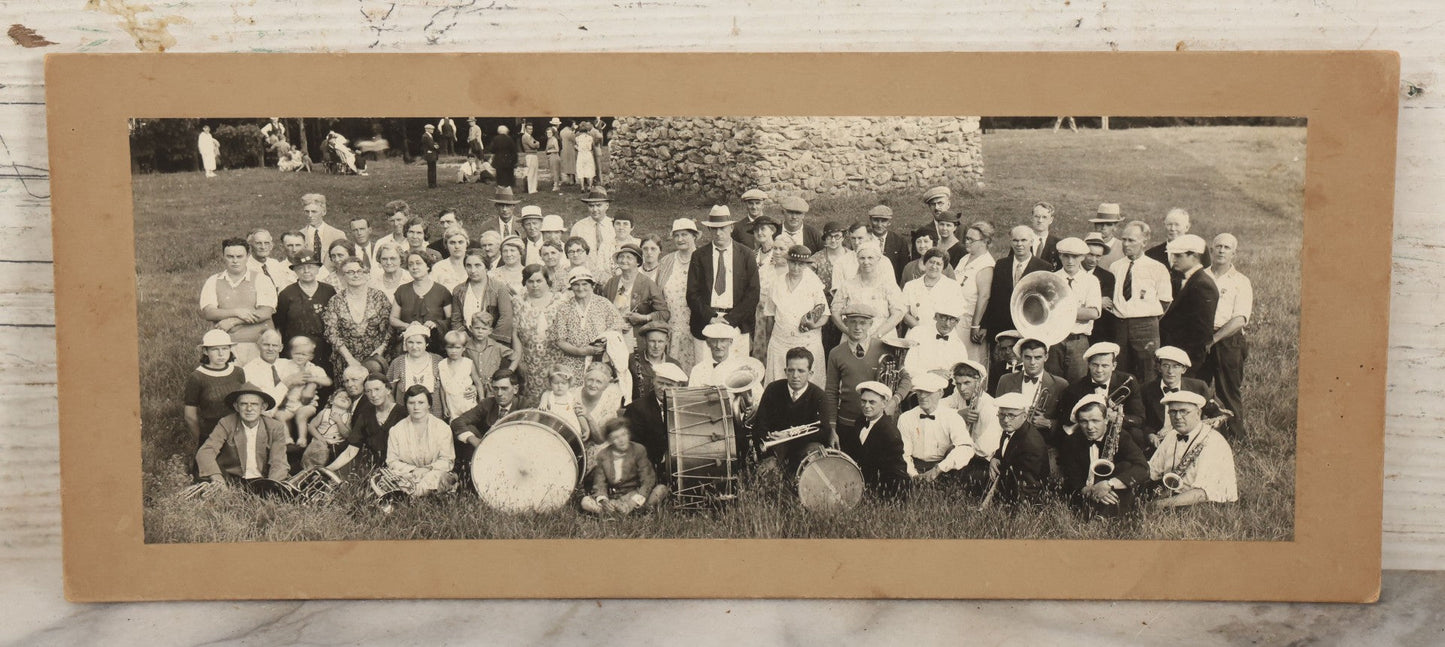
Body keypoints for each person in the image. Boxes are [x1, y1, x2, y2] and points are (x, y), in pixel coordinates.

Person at [686, 206, 761, 362]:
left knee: (735, 373)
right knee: (706, 371)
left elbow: (753, 294)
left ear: (731, 227)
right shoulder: (699, 256)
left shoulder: (746, 254)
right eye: (714, 229)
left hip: (736, 323)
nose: (718, 233)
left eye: (722, 228)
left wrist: (730, 319)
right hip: (706, 322)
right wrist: (711, 317)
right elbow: (692, 294)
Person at [1058, 394, 1149, 517]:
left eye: (1095, 421)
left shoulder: (1121, 437)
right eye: (1084, 421)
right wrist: (1088, 490)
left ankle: (1108, 518)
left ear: (1106, 419)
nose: (1090, 427)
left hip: (1113, 492)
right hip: (1085, 495)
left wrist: (1109, 484)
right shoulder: (1072, 441)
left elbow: (1143, 467)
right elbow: (1071, 475)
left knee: (1126, 466)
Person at [1108, 220, 1173, 386]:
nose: (1126, 244)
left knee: (1147, 371)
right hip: (1120, 325)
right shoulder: (1115, 267)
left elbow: (1165, 301)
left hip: (1146, 327)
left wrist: (1147, 321)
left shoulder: (1156, 268)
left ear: (1144, 242)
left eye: (1131, 240)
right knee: (1119, 370)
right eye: (1124, 240)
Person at [825, 304, 909, 430]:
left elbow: (906, 379)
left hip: (877, 424)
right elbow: (831, 392)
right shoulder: (836, 353)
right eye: (853, 322)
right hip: (847, 422)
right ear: (845, 322)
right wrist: (832, 428)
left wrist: (894, 401)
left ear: (870, 324)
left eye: (863, 323)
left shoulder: (885, 348)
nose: (858, 327)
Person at [1147, 390, 1237, 508]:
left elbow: (1202, 493)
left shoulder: (1213, 441)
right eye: (1173, 412)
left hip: (1207, 503)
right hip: (1176, 496)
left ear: (1198, 413)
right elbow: (1153, 471)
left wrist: (1160, 504)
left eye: (1184, 411)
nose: (1178, 417)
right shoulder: (1172, 435)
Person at [1202, 233, 1252, 440]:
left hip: (1228, 340)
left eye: (1227, 247)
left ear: (1234, 253)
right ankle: (1200, 433)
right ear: (1211, 250)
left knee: (1228, 391)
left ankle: (1236, 436)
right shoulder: (1200, 275)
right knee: (1198, 387)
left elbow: (1240, 318)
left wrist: (1213, 340)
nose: (1221, 250)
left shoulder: (1241, 281)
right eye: (1218, 246)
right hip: (1200, 338)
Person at [1054, 342, 1147, 453]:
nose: (1099, 370)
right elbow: (1068, 420)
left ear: (1114, 366)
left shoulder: (1128, 381)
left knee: (1136, 434)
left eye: (1105, 366)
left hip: (1118, 433)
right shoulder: (1075, 389)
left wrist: (1118, 418)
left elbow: (1139, 418)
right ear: (1088, 365)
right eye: (1095, 365)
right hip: (1090, 432)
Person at [199, 237, 278, 366]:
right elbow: (209, 312)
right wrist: (237, 311)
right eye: (230, 256)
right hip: (225, 346)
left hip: (258, 344)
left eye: (239, 256)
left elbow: (265, 312)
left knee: (258, 384)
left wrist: (233, 321)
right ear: (223, 256)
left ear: (248, 256)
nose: (235, 261)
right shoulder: (213, 280)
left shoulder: (262, 279)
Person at [752, 347, 833, 469]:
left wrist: (789, 437)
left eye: (801, 371)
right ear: (785, 371)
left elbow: (824, 432)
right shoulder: (773, 389)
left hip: (803, 448)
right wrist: (768, 454)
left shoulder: (819, 396)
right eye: (791, 370)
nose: (795, 375)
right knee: (767, 475)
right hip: (775, 447)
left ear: (810, 373)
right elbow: (760, 424)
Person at [196, 383, 291, 485]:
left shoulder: (275, 427)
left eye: (254, 404)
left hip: (262, 479)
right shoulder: (226, 423)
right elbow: (206, 451)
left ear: (263, 407)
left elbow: (279, 462)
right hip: (232, 479)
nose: (249, 409)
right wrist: (217, 478)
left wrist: (271, 485)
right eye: (244, 404)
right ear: (236, 407)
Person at [763, 245, 829, 386]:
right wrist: (770, 341)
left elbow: (825, 314)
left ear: (806, 265)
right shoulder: (776, 283)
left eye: (800, 264)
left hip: (808, 343)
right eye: (793, 263)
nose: (796, 268)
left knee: (809, 384)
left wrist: (813, 325)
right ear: (787, 262)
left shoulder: (813, 283)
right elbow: (769, 316)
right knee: (779, 383)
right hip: (780, 344)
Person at [895, 372, 975, 486]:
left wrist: (939, 469)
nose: (922, 396)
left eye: (928, 392)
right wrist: (914, 475)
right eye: (919, 392)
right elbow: (903, 452)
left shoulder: (952, 417)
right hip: (913, 467)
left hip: (944, 469)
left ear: (940, 393)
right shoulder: (906, 418)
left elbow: (966, 447)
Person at [550, 266, 623, 387]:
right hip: (572, 362)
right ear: (571, 287)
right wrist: (580, 351)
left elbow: (616, 328)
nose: (580, 288)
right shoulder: (564, 308)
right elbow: (560, 340)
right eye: (576, 285)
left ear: (592, 285)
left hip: (600, 362)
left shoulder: (603, 304)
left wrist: (605, 342)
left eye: (585, 284)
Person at [978, 226, 1051, 345]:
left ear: (1032, 242)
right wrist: (985, 325)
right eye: (1015, 240)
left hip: (1028, 328)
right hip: (1001, 328)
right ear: (1010, 242)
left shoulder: (1043, 268)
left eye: (1023, 240)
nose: (1019, 244)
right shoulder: (1001, 265)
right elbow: (994, 298)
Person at [1158, 233, 1219, 376]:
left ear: (1194, 256)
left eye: (1179, 256)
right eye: (1173, 255)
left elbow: (1202, 332)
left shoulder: (1203, 285)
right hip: (1176, 355)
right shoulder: (1185, 280)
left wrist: (1188, 362)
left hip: (1188, 360)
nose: (1173, 260)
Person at [581, 418, 670, 515]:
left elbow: (648, 481)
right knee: (585, 501)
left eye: (624, 434)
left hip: (636, 495)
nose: (621, 440)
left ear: (628, 434)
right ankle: (610, 512)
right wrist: (604, 501)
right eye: (616, 437)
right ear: (610, 440)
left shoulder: (638, 450)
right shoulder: (603, 455)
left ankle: (635, 511)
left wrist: (632, 503)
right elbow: (599, 484)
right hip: (615, 498)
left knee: (661, 489)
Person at [383, 385, 459, 498]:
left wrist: (426, 469)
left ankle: (409, 496)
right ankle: (421, 494)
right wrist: (413, 470)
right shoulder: (396, 430)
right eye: (411, 403)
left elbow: (447, 460)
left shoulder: (442, 428)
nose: (416, 407)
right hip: (408, 474)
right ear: (406, 405)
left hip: (433, 472)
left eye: (421, 402)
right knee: (389, 477)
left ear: (429, 405)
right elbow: (392, 461)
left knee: (438, 477)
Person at [323, 257, 394, 375]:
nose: (355, 275)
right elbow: (331, 332)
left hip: (376, 359)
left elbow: (390, 327)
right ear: (343, 276)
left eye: (359, 271)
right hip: (346, 361)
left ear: (365, 274)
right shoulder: (336, 301)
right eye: (350, 272)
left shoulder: (378, 297)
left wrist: (381, 349)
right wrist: (349, 359)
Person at [183, 330, 247, 461]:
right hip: (212, 434)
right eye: (215, 349)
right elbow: (190, 416)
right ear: (205, 351)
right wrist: (202, 441)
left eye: (225, 348)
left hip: (238, 433)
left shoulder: (238, 372)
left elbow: (245, 402)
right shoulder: (197, 377)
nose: (221, 353)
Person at [324, 373, 406, 475]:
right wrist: (328, 469)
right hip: (372, 468)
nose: (373, 395)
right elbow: (352, 449)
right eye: (368, 391)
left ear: (388, 390)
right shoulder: (365, 414)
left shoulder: (403, 413)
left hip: (399, 468)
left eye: (377, 389)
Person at [993, 337, 1069, 446]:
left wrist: (1049, 423)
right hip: (1011, 444)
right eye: (1028, 357)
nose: (1032, 362)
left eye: (1038, 357)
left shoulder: (1061, 385)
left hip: (1045, 445)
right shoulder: (1005, 380)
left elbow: (1067, 424)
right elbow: (996, 417)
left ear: (1046, 357)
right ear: (1021, 357)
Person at [837, 381, 908, 497]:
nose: (866, 406)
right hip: (862, 480)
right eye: (863, 401)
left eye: (872, 402)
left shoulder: (889, 432)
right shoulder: (860, 421)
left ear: (884, 404)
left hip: (883, 486)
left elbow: (896, 471)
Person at [1141, 346, 1223, 446]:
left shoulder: (1198, 387)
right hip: (1159, 443)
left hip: (1192, 440)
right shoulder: (1146, 389)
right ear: (1159, 368)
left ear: (1184, 369)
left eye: (1176, 366)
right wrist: (1150, 434)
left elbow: (1218, 413)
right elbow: (1141, 419)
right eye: (1166, 366)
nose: (1170, 371)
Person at [450, 369, 522, 482]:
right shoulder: (488, 403)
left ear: (515, 389)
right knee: (468, 430)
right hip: (488, 451)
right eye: (496, 388)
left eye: (504, 388)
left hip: (515, 455)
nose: (499, 393)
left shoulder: (525, 405)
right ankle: (472, 478)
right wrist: (473, 439)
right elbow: (457, 422)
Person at [1046, 237, 1102, 382]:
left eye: (1075, 256)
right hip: (1054, 341)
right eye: (1066, 256)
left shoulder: (1091, 281)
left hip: (1078, 341)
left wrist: (1059, 310)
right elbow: (1045, 313)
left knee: (1078, 384)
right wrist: (1078, 311)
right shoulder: (1050, 278)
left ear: (1083, 257)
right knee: (1052, 384)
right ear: (1060, 256)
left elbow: (1093, 313)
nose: (1070, 261)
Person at [940, 359, 1001, 492]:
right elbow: (937, 407)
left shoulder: (989, 406)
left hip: (981, 460)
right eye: (958, 383)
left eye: (967, 383)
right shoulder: (958, 396)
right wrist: (958, 413)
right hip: (963, 452)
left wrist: (959, 449)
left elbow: (986, 448)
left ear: (978, 381)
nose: (962, 389)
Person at [829, 241, 905, 339]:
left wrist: (877, 335)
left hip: (882, 338)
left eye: (870, 258)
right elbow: (835, 312)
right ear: (857, 259)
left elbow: (898, 313)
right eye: (862, 258)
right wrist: (848, 332)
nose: (866, 262)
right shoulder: (847, 285)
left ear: (878, 259)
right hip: (853, 338)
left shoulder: (888, 285)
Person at [509, 264, 560, 407]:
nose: (535, 285)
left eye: (539, 281)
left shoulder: (559, 300)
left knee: (555, 397)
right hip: (530, 360)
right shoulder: (518, 302)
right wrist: (519, 360)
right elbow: (515, 333)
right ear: (525, 282)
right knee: (533, 401)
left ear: (547, 281)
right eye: (530, 281)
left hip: (555, 358)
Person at [600, 243, 669, 345]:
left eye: (629, 257)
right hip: (612, 335)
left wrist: (643, 318)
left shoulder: (647, 283)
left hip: (636, 336)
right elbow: (602, 308)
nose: (624, 260)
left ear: (637, 262)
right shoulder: (612, 282)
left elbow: (664, 313)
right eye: (621, 257)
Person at [988, 391, 1050, 505]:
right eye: (1002, 414)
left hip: (1023, 499)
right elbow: (1005, 450)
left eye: (1011, 415)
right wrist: (995, 458)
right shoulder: (1013, 428)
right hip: (1009, 485)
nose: (1006, 420)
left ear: (1025, 416)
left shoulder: (1031, 444)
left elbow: (1029, 489)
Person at [390, 251, 453, 355]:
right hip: (409, 346)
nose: (414, 267)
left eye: (418, 263)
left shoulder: (442, 291)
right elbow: (393, 319)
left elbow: (451, 320)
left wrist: (436, 324)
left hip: (435, 346)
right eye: (410, 264)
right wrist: (407, 325)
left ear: (428, 266)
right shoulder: (402, 290)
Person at [657, 218, 699, 371]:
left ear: (694, 236)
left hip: (695, 326)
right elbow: (658, 291)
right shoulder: (667, 261)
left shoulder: (702, 258)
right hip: (671, 324)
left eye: (685, 234)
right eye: (676, 235)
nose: (680, 239)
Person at [451, 247, 514, 343]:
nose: (472, 270)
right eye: (468, 266)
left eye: (477, 265)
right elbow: (456, 320)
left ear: (486, 267)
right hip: (467, 342)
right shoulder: (458, 290)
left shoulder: (498, 288)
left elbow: (506, 318)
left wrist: (490, 341)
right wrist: (464, 339)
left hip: (493, 342)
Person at [1145, 208, 1213, 294]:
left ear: (1187, 227)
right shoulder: (1151, 254)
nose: (1172, 228)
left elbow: (1206, 277)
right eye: (1169, 224)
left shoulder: (1198, 249)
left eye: (1177, 225)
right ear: (1164, 225)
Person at [387, 323, 447, 419]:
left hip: (434, 415)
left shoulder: (438, 360)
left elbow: (447, 386)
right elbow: (388, 391)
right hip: (404, 416)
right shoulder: (398, 362)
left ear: (426, 343)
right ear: (405, 343)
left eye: (419, 343)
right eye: (410, 342)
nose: (414, 347)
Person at [955, 222, 996, 363]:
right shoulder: (965, 258)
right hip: (956, 320)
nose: (966, 242)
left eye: (971, 240)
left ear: (984, 242)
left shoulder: (986, 265)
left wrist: (975, 325)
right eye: (966, 238)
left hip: (969, 323)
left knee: (970, 363)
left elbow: (984, 297)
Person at [901, 248, 964, 335]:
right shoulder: (911, 286)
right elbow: (904, 313)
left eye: (938, 264)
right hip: (916, 333)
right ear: (925, 263)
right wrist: (919, 330)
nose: (934, 266)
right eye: (931, 262)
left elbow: (957, 315)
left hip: (942, 335)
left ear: (943, 267)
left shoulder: (953, 287)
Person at [903, 299, 970, 381]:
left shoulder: (959, 346)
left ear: (957, 322)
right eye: (944, 317)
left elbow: (961, 377)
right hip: (918, 385)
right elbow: (907, 368)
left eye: (952, 319)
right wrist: (930, 373)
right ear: (935, 317)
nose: (947, 324)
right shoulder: (917, 333)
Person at [626, 321, 678, 403]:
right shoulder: (630, 360)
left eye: (660, 341)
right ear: (644, 340)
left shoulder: (674, 364)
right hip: (637, 412)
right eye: (652, 341)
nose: (656, 346)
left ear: (667, 341)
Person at [301, 389, 353, 469]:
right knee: (311, 461)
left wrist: (339, 422)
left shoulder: (348, 417)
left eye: (347, 398)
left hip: (335, 447)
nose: (344, 398)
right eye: (340, 396)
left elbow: (347, 434)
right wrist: (320, 439)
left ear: (350, 404)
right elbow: (311, 426)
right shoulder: (325, 412)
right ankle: (307, 472)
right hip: (318, 444)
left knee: (329, 466)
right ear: (331, 400)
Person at [571, 187, 617, 276]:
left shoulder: (614, 226)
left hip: (611, 274)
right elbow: (571, 253)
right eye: (591, 206)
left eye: (599, 205)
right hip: (585, 274)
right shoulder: (579, 227)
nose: (595, 209)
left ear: (607, 205)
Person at [1082, 232, 1119, 345]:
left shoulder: (1107, 277)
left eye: (1098, 256)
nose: (1093, 260)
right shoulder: (1072, 272)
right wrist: (1098, 301)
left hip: (1098, 331)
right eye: (1090, 254)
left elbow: (1106, 304)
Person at [866, 205, 911, 281]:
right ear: (870, 220)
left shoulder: (899, 242)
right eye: (876, 220)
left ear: (889, 222)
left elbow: (903, 270)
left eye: (883, 221)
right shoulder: (864, 241)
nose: (879, 225)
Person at [298, 193, 348, 261]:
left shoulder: (338, 235)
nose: (310, 215)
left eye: (314, 212)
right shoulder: (298, 236)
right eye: (307, 212)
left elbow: (346, 261)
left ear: (324, 212)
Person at [430, 227, 471, 291]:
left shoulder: (474, 265)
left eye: (460, 242)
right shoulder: (439, 267)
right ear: (446, 245)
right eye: (452, 243)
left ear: (467, 244)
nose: (457, 246)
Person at [1089, 203, 1128, 271]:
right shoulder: (1085, 245)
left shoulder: (1122, 248)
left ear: (1115, 227)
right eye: (1100, 224)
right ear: (1095, 225)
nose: (1103, 227)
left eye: (1108, 224)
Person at [919, 185, 953, 258]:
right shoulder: (923, 232)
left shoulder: (962, 230)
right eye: (933, 204)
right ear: (929, 207)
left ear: (948, 204)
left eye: (940, 203)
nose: (937, 208)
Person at [1028, 201, 1062, 269]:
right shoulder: (1022, 241)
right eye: (1037, 216)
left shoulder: (1059, 244)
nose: (1040, 220)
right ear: (1032, 218)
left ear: (1051, 220)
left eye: (1044, 217)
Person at [574, 121, 597, 191]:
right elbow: (593, 147)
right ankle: (590, 186)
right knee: (590, 169)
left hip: (581, 154)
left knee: (581, 170)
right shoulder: (590, 138)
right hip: (588, 154)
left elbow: (576, 147)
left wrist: (576, 147)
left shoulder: (577, 138)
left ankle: (582, 187)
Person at [520, 122, 540, 194]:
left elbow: (537, 144)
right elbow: (533, 145)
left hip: (534, 155)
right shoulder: (525, 136)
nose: (530, 130)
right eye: (529, 129)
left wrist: (536, 143)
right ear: (525, 129)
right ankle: (531, 189)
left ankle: (534, 188)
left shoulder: (530, 137)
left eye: (531, 129)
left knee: (534, 172)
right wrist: (536, 143)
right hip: (530, 155)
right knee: (531, 172)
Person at [545, 120, 563, 192]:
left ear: (552, 133)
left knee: (555, 171)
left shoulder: (554, 139)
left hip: (555, 156)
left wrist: (549, 151)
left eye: (550, 133)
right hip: (551, 157)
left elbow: (557, 149)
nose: (548, 134)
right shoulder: (549, 139)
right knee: (553, 171)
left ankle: (556, 186)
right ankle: (555, 184)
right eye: (547, 133)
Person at [559, 120, 577, 187]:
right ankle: (572, 180)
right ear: (571, 125)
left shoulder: (562, 131)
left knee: (567, 165)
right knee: (572, 165)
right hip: (570, 150)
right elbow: (575, 141)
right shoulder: (570, 133)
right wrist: (574, 131)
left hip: (564, 150)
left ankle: (568, 180)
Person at [421, 123, 439, 188]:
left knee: (433, 169)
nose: (433, 130)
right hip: (430, 155)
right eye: (431, 129)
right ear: (427, 129)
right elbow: (431, 145)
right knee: (431, 170)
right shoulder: (425, 136)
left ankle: (433, 183)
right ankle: (431, 184)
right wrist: (435, 146)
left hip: (432, 154)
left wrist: (435, 145)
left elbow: (433, 144)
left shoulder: (429, 136)